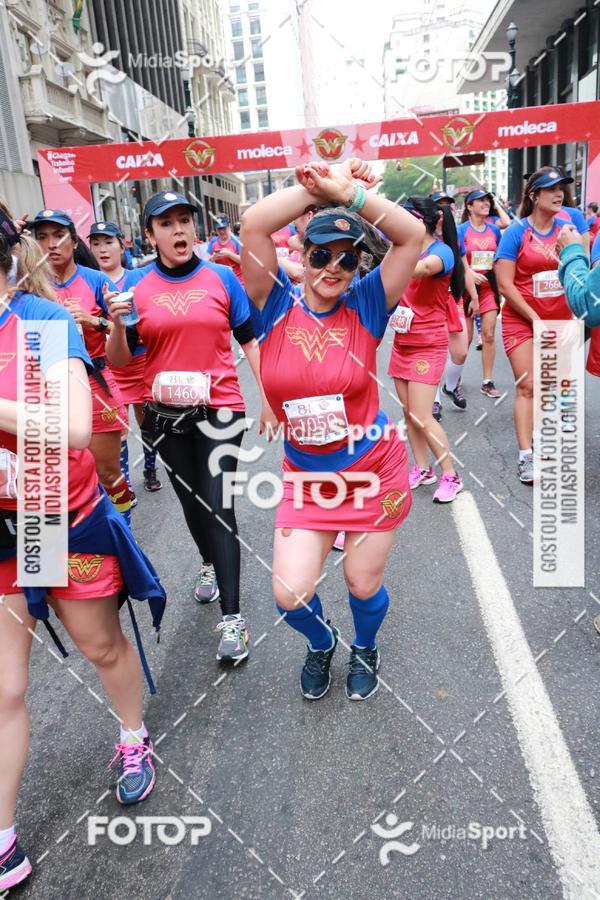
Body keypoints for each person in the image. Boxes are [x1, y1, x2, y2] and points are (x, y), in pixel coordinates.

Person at [0, 229, 166, 892]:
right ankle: (3, 838)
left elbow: (73, 425)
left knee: (100, 647)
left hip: (53, 516)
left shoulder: (37, 322)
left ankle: (132, 734)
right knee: (5, 688)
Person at [241, 158, 424, 701]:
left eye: (347, 259)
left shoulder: (368, 304)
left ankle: (364, 645)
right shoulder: (272, 304)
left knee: (361, 583)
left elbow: (411, 237)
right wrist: (318, 189)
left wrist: (353, 197)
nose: (332, 268)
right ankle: (322, 643)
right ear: (300, 253)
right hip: (309, 480)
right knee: (290, 594)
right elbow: (253, 223)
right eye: (320, 254)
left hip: (374, 471)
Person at [106, 190, 276, 662]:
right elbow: (119, 360)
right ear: (149, 234)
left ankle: (234, 620)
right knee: (191, 502)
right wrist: (117, 326)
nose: (178, 230)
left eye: (185, 221)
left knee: (219, 505)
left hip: (221, 409)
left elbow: (251, 340)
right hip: (165, 415)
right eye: (166, 224)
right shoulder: (135, 287)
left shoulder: (222, 277)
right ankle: (208, 563)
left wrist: (268, 400)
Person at [28, 210, 131, 520]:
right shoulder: (30, 287)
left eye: (58, 236)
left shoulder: (96, 280)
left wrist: (93, 321)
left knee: (109, 473)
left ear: (73, 241)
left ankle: (122, 531)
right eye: (42, 237)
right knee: (59, 477)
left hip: (95, 382)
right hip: (46, 388)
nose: (51, 244)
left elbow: (125, 331)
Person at [495, 168, 575, 484]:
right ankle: (526, 456)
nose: (559, 194)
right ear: (533, 195)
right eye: (551, 189)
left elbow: (575, 272)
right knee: (527, 385)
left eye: (562, 189)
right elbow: (505, 285)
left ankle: (544, 440)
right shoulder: (515, 233)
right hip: (522, 320)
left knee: (552, 386)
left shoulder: (567, 231)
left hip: (559, 321)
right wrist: (535, 318)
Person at [388, 197, 465, 503]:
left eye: (406, 218)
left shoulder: (442, 251)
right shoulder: (402, 250)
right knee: (409, 414)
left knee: (423, 414)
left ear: (424, 222)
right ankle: (423, 469)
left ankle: (450, 475)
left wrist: (393, 257)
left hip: (427, 343)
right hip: (402, 340)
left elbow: (419, 270)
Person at [89, 220, 162, 496]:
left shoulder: (139, 278)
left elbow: (152, 317)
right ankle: (123, 484)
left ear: (122, 244)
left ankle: (150, 468)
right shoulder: (91, 280)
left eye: (108, 242)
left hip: (142, 363)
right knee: (117, 429)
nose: (102, 249)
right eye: (96, 243)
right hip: (108, 368)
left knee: (148, 424)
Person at [458, 189, 502, 398]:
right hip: (466, 291)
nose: (486, 203)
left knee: (489, 335)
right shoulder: (461, 231)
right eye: (480, 200)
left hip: (487, 288)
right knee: (464, 340)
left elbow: (501, 260)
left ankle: (487, 381)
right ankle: (454, 378)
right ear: (469, 206)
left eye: (487, 200)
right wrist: (469, 275)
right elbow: (457, 262)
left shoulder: (495, 230)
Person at [207, 214, 244, 283]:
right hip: (221, 282)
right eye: (219, 228)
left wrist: (229, 254)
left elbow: (244, 260)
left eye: (223, 228)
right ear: (215, 229)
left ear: (229, 226)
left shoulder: (237, 240)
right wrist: (213, 258)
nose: (221, 231)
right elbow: (205, 262)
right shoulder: (213, 241)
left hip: (237, 281)